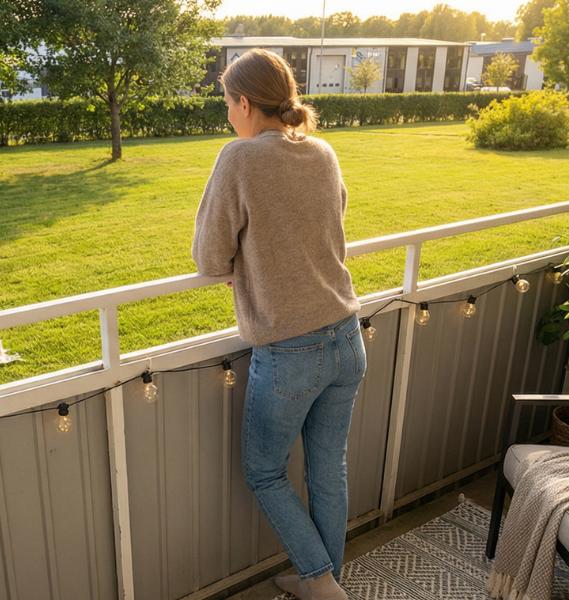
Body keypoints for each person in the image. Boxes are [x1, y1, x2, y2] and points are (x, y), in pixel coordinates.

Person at [191, 48, 365, 600]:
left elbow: (209, 258)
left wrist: (242, 264)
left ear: (244, 103)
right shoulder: (323, 151)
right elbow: (330, 219)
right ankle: (325, 580)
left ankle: (319, 583)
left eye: (227, 103)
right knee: (327, 469)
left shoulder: (238, 159)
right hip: (347, 336)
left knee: (265, 472)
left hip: (291, 351)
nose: (227, 115)